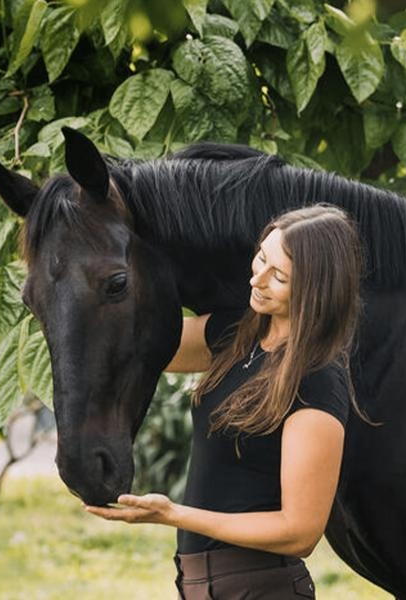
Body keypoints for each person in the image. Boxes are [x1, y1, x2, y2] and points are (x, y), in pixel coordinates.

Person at [85, 204, 366, 599]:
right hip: (198, 583)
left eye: (280, 276)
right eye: (262, 258)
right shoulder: (237, 335)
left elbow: (300, 532)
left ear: (315, 291)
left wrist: (173, 515)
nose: (259, 278)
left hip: (261, 586)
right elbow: (141, 344)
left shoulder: (316, 380)